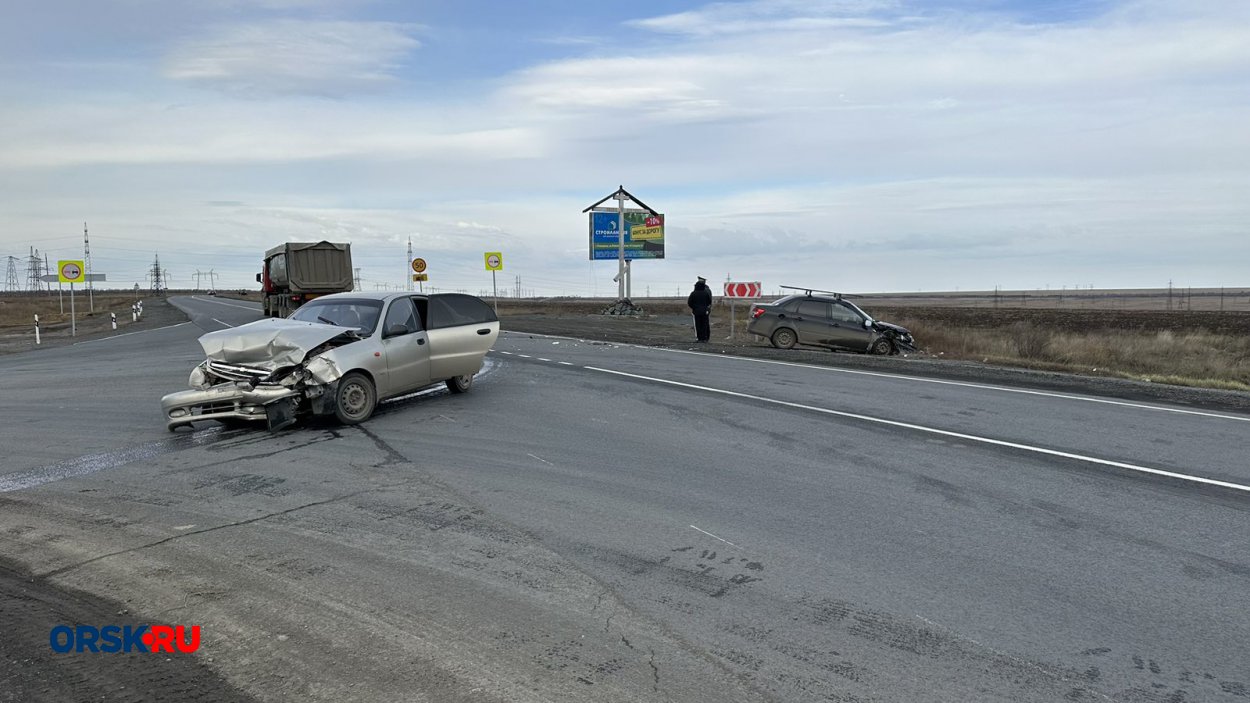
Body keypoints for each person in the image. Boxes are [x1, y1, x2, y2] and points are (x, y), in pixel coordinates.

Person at [687, 276, 712, 343]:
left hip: (696, 311)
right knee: (705, 324)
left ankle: (699, 338)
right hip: (705, 311)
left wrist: (694, 308)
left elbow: (689, 302)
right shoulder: (706, 292)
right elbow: (709, 301)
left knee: (698, 325)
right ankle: (705, 338)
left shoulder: (693, 293)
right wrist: (706, 308)